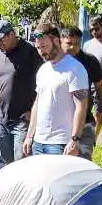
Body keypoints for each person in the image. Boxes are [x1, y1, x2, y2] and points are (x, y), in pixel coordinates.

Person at [23, 23, 89, 156]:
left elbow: (81, 107)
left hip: (61, 143)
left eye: (44, 46)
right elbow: (38, 103)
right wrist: (30, 136)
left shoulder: (74, 68)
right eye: (38, 48)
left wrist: (75, 139)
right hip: (38, 142)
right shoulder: (43, 69)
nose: (41, 51)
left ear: (56, 41)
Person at [0, 18, 42, 163]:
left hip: (23, 120)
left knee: (21, 162)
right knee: (7, 161)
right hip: (2, 119)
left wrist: (34, 111)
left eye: (1, 40)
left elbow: (44, 83)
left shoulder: (30, 52)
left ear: (12, 34)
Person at [59, 25, 102, 159]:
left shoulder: (89, 60)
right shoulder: (54, 62)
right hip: (60, 123)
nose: (73, 48)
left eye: (76, 44)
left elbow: (101, 86)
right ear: (60, 41)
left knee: (83, 163)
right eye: (69, 43)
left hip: (85, 122)